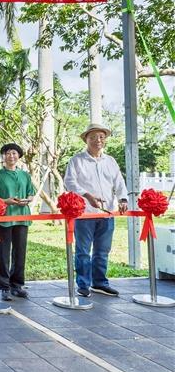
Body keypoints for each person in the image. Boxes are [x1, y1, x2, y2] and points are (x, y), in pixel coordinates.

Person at [64, 123, 128, 297]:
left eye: (101, 137)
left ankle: (99, 283)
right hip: (84, 214)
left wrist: (123, 199)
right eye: (93, 137)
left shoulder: (111, 161)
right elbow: (69, 182)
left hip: (107, 214)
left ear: (105, 140)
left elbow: (119, 182)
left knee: (102, 251)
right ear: (86, 139)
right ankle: (83, 284)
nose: (97, 140)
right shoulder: (77, 160)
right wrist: (87, 195)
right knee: (83, 252)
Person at [0, 143, 35, 301]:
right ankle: (4, 286)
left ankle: (17, 285)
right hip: (3, 218)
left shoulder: (25, 175)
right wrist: (6, 201)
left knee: (20, 252)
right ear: (3, 156)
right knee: (2, 253)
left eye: (14, 153)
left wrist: (27, 200)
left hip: (22, 216)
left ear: (19, 156)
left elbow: (31, 193)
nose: (11, 156)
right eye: (7, 153)